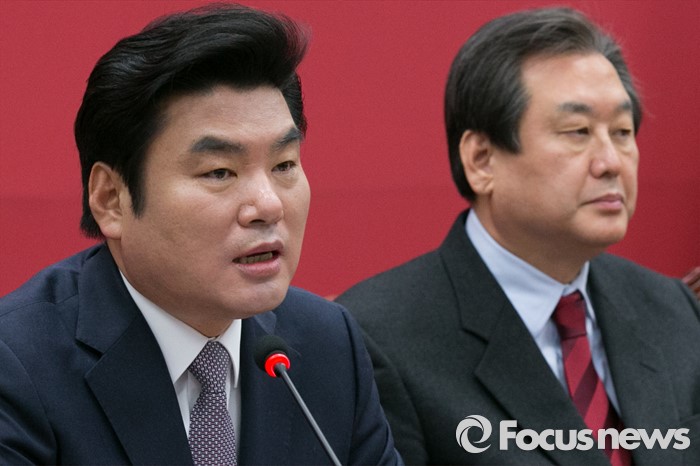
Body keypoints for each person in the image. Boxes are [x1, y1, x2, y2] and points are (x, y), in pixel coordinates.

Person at [0, 4, 401, 465]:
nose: (268, 205)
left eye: (284, 165)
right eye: (219, 172)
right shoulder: (17, 366)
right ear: (111, 199)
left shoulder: (328, 344)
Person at [337, 7, 700, 465]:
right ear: (482, 160)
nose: (611, 162)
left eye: (622, 132)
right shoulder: (377, 338)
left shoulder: (671, 309)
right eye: (578, 132)